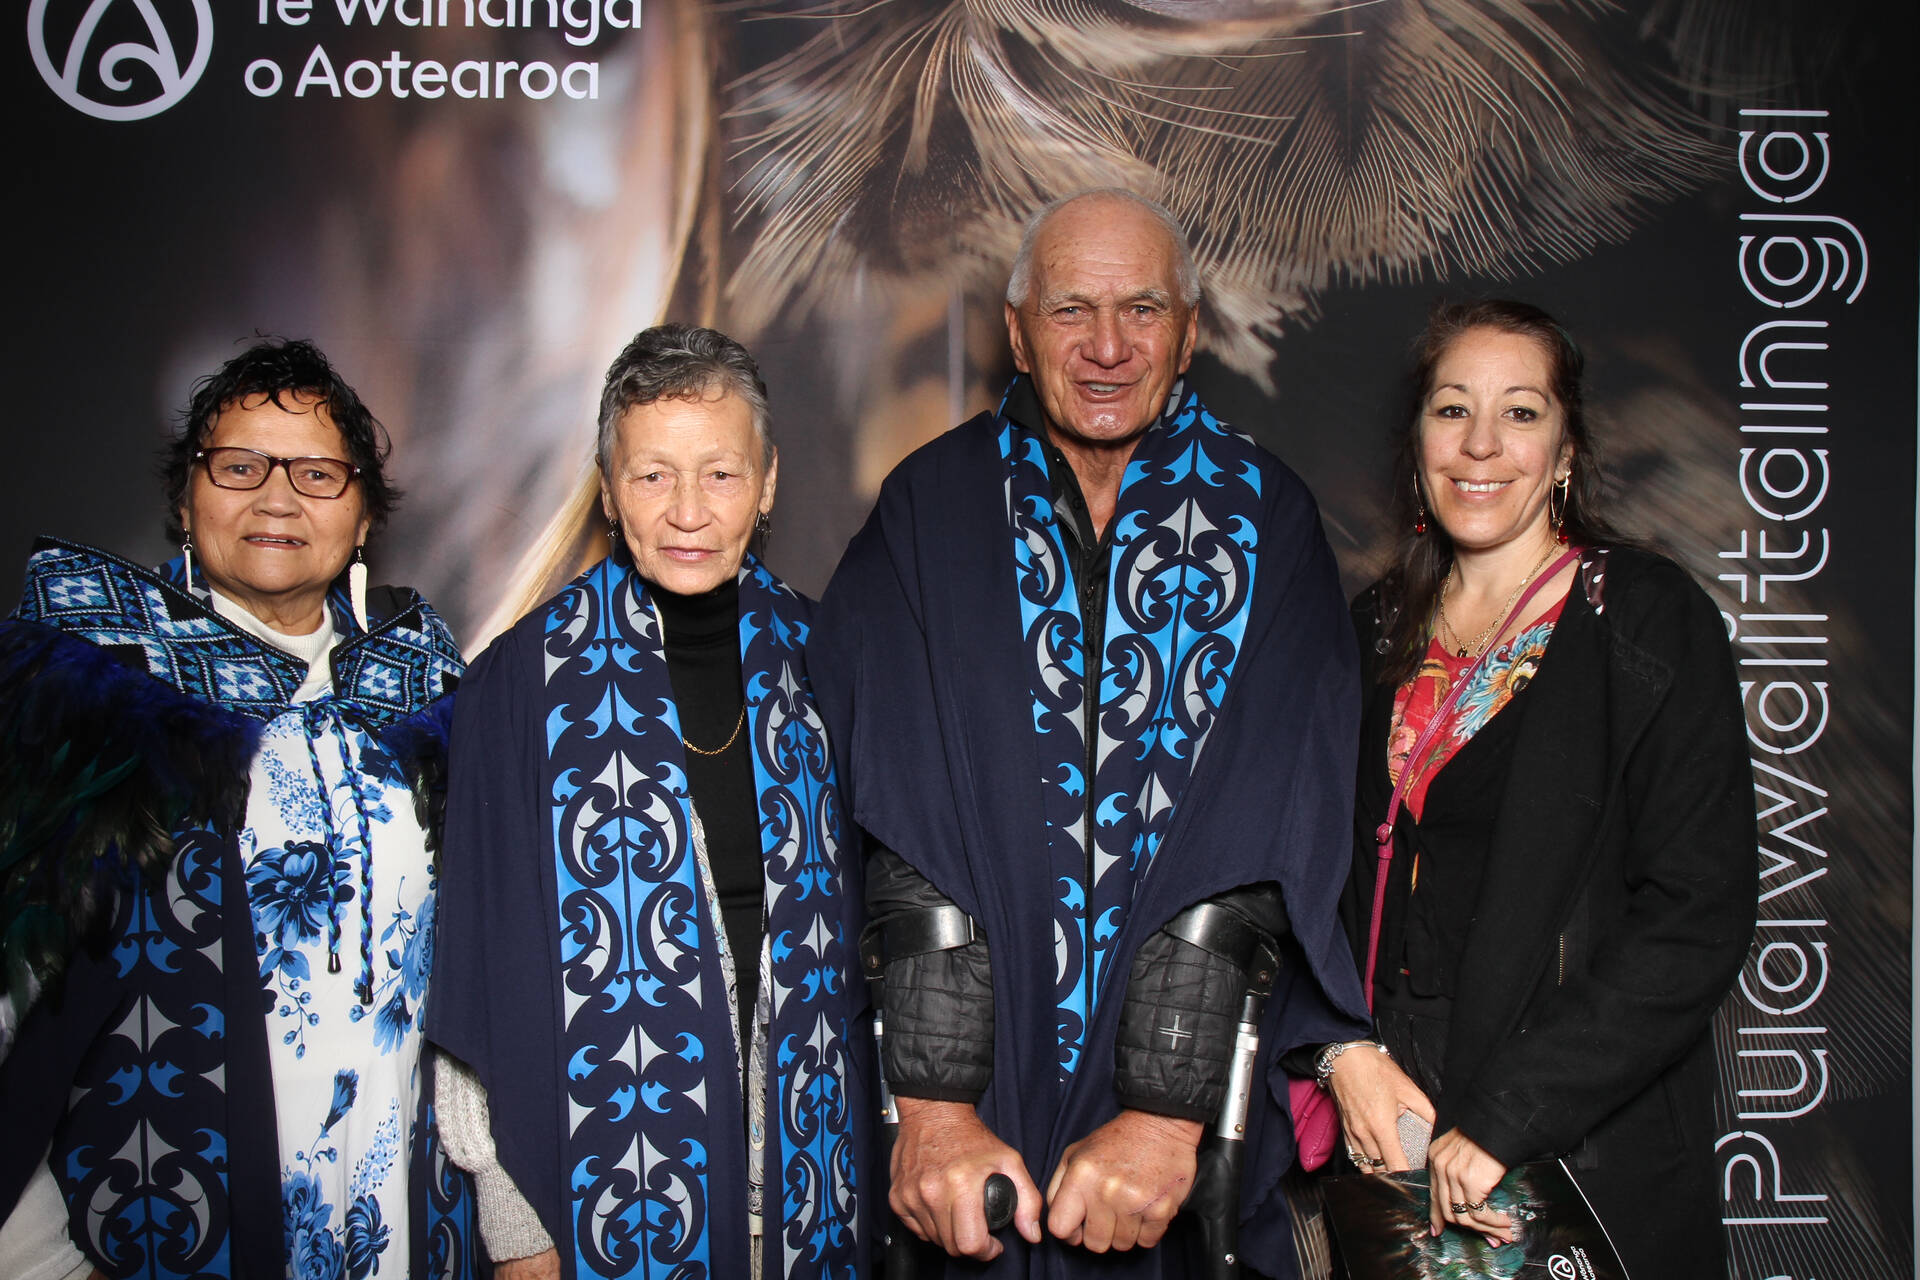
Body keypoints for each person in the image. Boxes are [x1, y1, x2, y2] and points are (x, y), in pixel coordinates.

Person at [809, 188, 1369, 1277]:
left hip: (1178, 1152)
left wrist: (1162, 1116)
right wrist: (935, 1111)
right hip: (965, 1143)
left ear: (1189, 332)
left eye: (1142, 310)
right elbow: (889, 812)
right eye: (1071, 310)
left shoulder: (1271, 520)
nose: (1107, 347)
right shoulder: (930, 510)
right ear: (1018, 333)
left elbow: (1269, 832)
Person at [0, 339, 475, 1279]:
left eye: (317, 473)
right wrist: (41, 1259)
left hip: (409, 1220)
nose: (277, 498)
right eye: (239, 466)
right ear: (186, 499)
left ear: (364, 516)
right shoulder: (86, 689)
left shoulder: (430, 687)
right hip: (175, 1230)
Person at [1316, 299, 1756, 1275]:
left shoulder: (1642, 619)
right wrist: (1347, 1054)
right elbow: (1317, 880)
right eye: (1452, 409)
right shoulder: (1378, 625)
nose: (1481, 444)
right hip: (1396, 1128)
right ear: (1418, 442)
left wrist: (1509, 1113)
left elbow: (1698, 913)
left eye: (1520, 412)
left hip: (1571, 1135)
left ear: (1566, 450)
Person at [427, 324, 865, 1280]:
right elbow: (472, 964)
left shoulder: (831, 661)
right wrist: (513, 1222)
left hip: (808, 1184)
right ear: (607, 487)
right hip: (597, 1202)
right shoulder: (519, 686)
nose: (688, 512)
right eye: (652, 475)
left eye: (721, 474)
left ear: (769, 483)